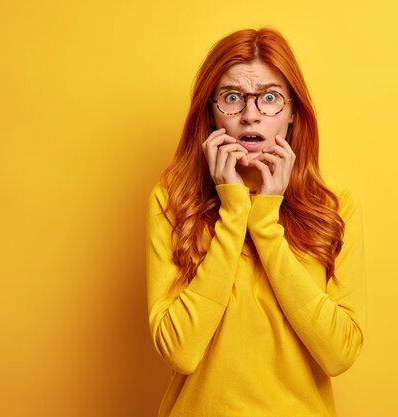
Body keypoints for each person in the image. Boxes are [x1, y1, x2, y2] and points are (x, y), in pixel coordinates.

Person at [146, 27, 366, 417]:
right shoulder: (172, 200)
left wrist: (265, 219)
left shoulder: (333, 206)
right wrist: (233, 210)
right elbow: (180, 351)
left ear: (293, 111)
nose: (250, 115)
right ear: (211, 114)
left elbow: (340, 353)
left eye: (269, 98)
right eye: (232, 98)